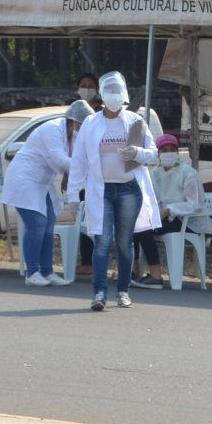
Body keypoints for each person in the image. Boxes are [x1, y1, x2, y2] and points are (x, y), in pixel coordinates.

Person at [69, 71, 161, 311]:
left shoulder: (135, 121)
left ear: (124, 94)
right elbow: (78, 160)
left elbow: (153, 153)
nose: (113, 95)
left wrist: (137, 153)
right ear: (102, 94)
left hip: (129, 189)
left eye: (117, 91)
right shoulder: (91, 123)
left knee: (124, 242)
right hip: (101, 191)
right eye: (109, 91)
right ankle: (99, 292)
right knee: (101, 241)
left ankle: (123, 291)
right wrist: (72, 194)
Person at [2, 100, 86, 287]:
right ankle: (32, 273)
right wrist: (87, 168)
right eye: (83, 125)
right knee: (36, 225)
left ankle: (47, 272)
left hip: (42, 183)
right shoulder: (52, 129)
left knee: (48, 225)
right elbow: (60, 159)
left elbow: (72, 160)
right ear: (74, 122)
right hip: (24, 179)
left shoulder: (72, 135)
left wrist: (75, 171)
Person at [132, 133, 202, 289]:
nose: (168, 153)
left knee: (144, 229)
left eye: (172, 149)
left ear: (177, 152)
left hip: (185, 220)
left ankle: (156, 275)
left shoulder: (188, 173)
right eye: (164, 150)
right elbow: (153, 199)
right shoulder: (155, 173)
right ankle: (133, 271)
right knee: (134, 225)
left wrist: (170, 210)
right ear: (158, 153)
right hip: (162, 217)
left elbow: (195, 205)